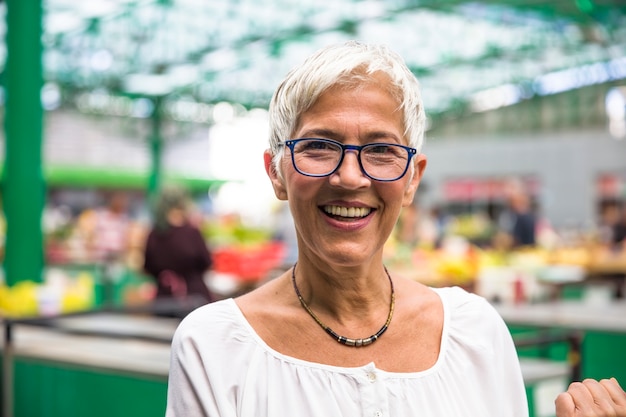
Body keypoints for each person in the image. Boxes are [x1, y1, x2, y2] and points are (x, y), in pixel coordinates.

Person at [166, 41, 626, 416]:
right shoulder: (215, 347)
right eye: (319, 146)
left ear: (412, 180)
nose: (349, 177)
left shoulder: (475, 332)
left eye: (381, 150)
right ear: (276, 172)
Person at [143, 186, 214, 308]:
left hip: (164, 300)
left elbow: (148, 267)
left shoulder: (154, 235)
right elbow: (207, 262)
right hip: (194, 299)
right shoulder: (192, 233)